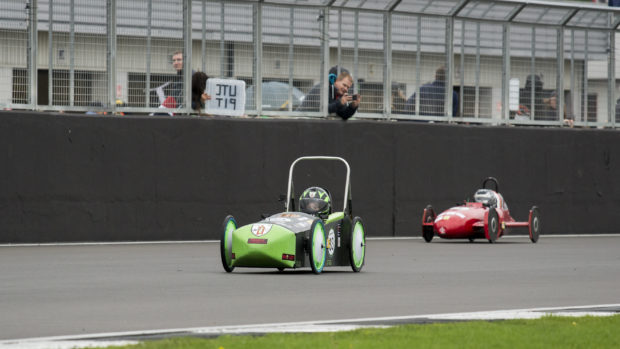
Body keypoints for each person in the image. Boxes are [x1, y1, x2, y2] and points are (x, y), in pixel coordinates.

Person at [296, 65, 361, 120]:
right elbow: (324, 110)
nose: (346, 89)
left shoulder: (338, 93)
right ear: (333, 80)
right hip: (301, 120)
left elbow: (343, 115)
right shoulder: (320, 89)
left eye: (348, 87)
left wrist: (353, 106)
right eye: (344, 85)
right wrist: (340, 103)